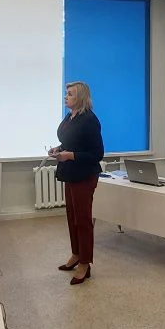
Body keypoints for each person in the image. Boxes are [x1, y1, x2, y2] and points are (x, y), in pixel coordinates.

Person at [50, 81, 104, 286]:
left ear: (80, 97)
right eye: (66, 93)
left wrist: (70, 155)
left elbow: (97, 154)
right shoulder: (70, 116)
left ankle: (85, 263)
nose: (66, 97)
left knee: (83, 220)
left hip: (84, 175)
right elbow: (70, 141)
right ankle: (75, 254)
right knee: (72, 217)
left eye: (70, 94)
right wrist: (58, 148)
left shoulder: (89, 120)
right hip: (70, 173)